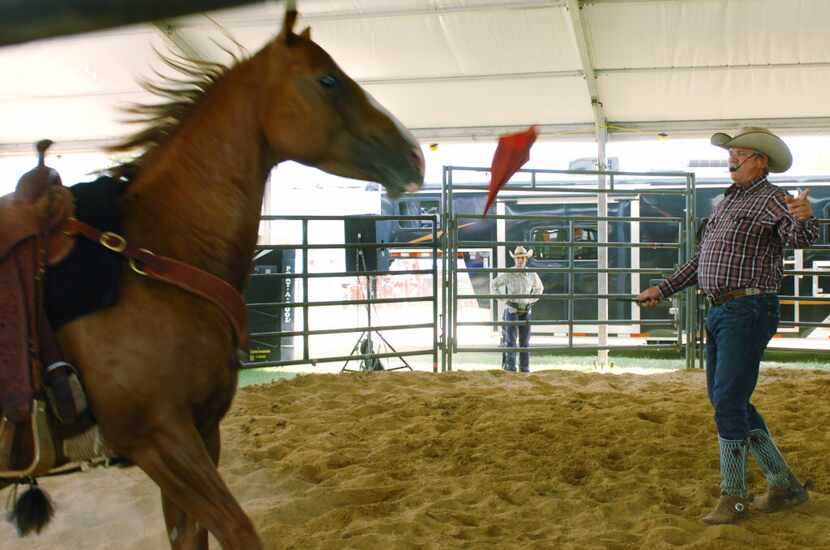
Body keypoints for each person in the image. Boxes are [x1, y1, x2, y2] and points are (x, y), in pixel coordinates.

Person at [638, 127, 817, 525]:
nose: (730, 158)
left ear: (760, 161)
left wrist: (804, 217)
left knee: (728, 401)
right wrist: (663, 288)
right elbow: (701, 261)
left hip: (748, 307)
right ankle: (783, 484)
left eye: (739, 153)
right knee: (726, 400)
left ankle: (734, 495)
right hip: (722, 311)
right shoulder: (725, 203)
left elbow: (798, 237)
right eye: (730, 153)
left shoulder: (774, 199)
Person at [491, 246, 544, 373]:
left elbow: (539, 289)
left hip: (526, 309)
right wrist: (504, 300)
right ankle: (510, 368)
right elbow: (494, 284)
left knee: (525, 341)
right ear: (515, 259)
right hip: (512, 310)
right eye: (518, 258)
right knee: (510, 340)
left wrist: (530, 301)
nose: (520, 260)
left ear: (526, 259)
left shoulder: (532, 274)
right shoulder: (509, 273)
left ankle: (524, 368)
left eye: (522, 258)